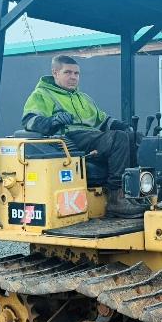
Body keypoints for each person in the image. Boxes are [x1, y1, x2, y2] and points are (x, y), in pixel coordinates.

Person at [22, 54, 138, 218]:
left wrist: (122, 125)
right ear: (55, 73)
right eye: (68, 72)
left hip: (91, 137)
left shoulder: (83, 98)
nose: (73, 77)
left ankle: (136, 193)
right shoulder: (42, 94)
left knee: (136, 138)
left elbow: (103, 120)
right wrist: (53, 121)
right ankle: (116, 199)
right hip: (68, 138)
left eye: (76, 74)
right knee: (117, 139)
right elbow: (29, 120)